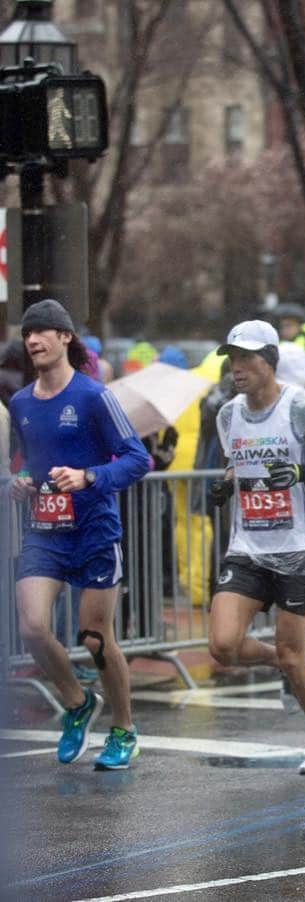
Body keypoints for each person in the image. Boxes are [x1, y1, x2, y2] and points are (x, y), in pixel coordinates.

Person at [207, 320, 305, 774]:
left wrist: (304, 473)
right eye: (231, 360)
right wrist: (226, 486)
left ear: (269, 362)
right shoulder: (228, 414)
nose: (236, 369)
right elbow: (238, 465)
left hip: (297, 549)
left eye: (246, 359)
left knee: (295, 656)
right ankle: (286, 662)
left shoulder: (302, 408)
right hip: (248, 546)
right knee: (223, 646)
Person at [9, 299, 151, 770]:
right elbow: (29, 461)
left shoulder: (93, 396)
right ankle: (77, 703)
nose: (34, 340)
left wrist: (89, 477)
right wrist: (22, 481)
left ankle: (124, 729)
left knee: (94, 637)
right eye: (29, 334)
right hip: (46, 530)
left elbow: (137, 459)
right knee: (31, 626)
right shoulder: (23, 403)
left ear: (66, 337)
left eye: (44, 331)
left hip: (93, 530)